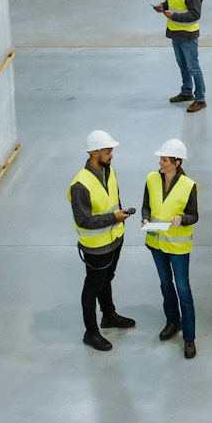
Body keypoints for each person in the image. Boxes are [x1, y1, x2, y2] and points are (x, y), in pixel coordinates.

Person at [71, 130, 136, 351]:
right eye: (108, 151)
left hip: (115, 239)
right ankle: (90, 332)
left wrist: (120, 217)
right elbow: (83, 220)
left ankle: (109, 315)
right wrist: (114, 218)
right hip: (96, 247)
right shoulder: (80, 184)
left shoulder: (109, 170)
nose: (112, 155)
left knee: (107, 279)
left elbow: (114, 199)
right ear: (94, 152)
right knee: (92, 288)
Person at [143, 137, 200, 360]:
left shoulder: (188, 185)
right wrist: (145, 218)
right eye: (160, 159)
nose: (160, 162)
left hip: (178, 247)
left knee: (183, 290)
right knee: (166, 285)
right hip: (156, 244)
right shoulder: (151, 179)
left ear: (176, 163)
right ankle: (172, 322)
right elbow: (146, 206)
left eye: (164, 160)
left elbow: (194, 215)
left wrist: (182, 219)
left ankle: (189, 337)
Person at [153, 0, 205, 113]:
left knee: (193, 67)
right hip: (175, 32)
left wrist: (174, 16)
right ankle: (186, 92)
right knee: (182, 64)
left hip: (188, 35)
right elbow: (171, 2)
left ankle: (200, 99)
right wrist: (163, 6)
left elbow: (195, 14)